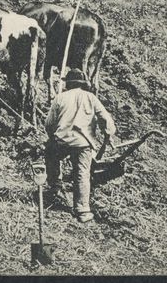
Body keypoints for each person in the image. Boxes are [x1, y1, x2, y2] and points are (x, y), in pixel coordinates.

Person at [44, 68, 116, 223]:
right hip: (83, 143)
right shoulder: (91, 98)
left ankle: (55, 186)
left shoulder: (60, 98)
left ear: (68, 84)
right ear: (83, 84)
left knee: (50, 153)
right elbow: (106, 119)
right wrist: (107, 134)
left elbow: (49, 123)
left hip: (62, 141)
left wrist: (52, 137)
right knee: (82, 173)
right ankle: (82, 210)